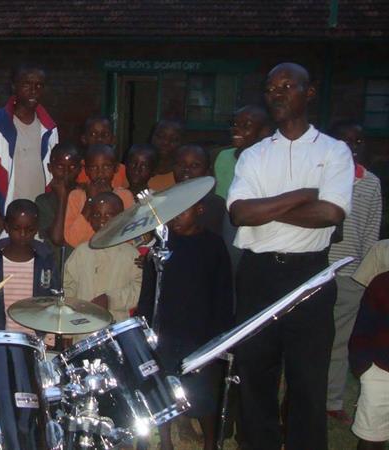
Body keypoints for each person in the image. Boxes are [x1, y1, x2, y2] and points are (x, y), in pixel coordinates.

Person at [227, 62, 353, 450]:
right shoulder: (253, 155)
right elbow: (240, 213)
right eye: (270, 88)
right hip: (258, 275)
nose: (277, 94)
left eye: (286, 86)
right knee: (255, 376)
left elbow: (330, 213)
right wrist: (302, 195)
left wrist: (267, 207)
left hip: (309, 276)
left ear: (308, 92)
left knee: (308, 381)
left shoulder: (334, 151)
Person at [137, 199, 233, 450]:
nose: (175, 218)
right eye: (172, 213)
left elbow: (223, 292)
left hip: (200, 331)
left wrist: (219, 336)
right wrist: (144, 325)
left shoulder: (213, 245)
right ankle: (165, 441)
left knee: (202, 391)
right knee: (163, 387)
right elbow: (149, 291)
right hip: (165, 330)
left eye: (182, 212)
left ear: (199, 210)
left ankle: (210, 442)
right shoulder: (162, 245)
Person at [325, 120, 383, 423]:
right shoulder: (321, 174)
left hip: (351, 273)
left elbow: (371, 230)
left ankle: (332, 400)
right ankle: (299, 393)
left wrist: (365, 274)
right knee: (310, 337)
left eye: (357, 141)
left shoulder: (371, 183)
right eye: (344, 140)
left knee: (339, 339)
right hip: (318, 269)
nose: (351, 146)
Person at [0, 64, 58, 239]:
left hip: (41, 224)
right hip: (9, 225)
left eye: (39, 85)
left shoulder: (49, 128)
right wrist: (1, 225)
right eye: (27, 84)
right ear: (13, 86)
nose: (33, 90)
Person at [0, 199, 57, 332]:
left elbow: (55, 302)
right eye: (16, 229)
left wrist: (50, 333)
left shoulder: (46, 261)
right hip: (0, 338)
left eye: (29, 229)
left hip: (36, 337)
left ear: (37, 228)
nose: (23, 235)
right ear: (6, 226)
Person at [64, 192, 141, 321]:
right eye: (96, 215)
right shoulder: (81, 252)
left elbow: (139, 289)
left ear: (121, 219)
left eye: (108, 215)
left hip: (115, 323)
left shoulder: (131, 254)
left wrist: (110, 299)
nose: (102, 220)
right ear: (90, 219)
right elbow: (68, 287)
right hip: (83, 324)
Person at [348, 271, 389, 450]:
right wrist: (365, 368)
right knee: (372, 437)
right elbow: (363, 328)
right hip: (381, 372)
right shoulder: (383, 282)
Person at [64, 144, 134, 248]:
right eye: (93, 167)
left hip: (116, 253)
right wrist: (89, 201)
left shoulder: (124, 196)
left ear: (116, 168)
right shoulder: (76, 196)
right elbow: (73, 239)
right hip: (86, 254)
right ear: (86, 170)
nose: (100, 173)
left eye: (106, 167)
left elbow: (129, 237)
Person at [35, 142, 82, 264]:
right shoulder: (43, 202)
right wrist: (62, 198)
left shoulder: (85, 196)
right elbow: (57, 238)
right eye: (60, 167)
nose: (66, 172)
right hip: (56, 265)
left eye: (72, 167)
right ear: (50, 168)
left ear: (79, 169)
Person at [214, 105, 271, 199]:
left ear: (264, 132)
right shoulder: (223, 156)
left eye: (246, 126)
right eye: (234, 124)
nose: (235, 129)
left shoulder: (268, 161)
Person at [173, 144, 227, 236]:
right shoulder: (162, 199)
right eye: (181, 164)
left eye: (194, 166)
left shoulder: (215, 204)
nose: (186, 170)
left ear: (207, 171)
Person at [76, 116, 127, 187]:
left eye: (105, 134)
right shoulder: (76, 169)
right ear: (84, 139)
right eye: (93, 134)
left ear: (113, 139)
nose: (99, 139)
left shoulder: (123, 171)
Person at [148, 119, 183, 191]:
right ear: (151, 137)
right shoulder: (134, 171)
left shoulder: (184, 175)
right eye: (160, 136)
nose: (166, 142)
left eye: (173, 139)